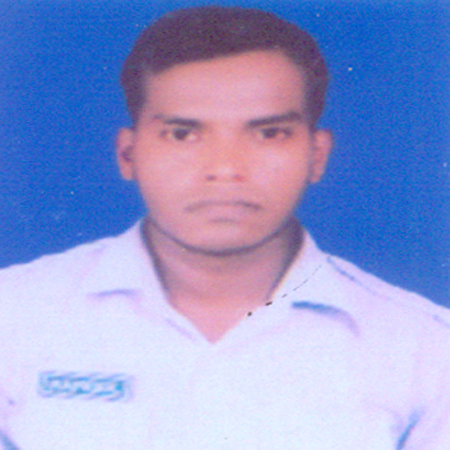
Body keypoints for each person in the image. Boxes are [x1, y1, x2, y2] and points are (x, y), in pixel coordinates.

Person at [0, 5, 449, 449]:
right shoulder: (15, 317)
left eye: (269, 133)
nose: (225, 168)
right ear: (128, 154)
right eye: (182, 134)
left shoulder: (423, 349)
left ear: (317, 155)